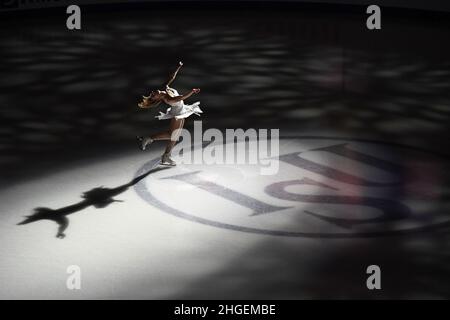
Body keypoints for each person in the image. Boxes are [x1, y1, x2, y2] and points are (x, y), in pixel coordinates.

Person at [137, 61, 202, 166]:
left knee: (175, 136)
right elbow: (181, 97)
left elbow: (171, 77)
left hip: (182, 110)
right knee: (172, 135)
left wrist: (178, 67)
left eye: (151, 94)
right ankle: (149, 138)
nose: (153, 93)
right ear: (158, 99)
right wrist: (192, 91)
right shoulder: (168, 99)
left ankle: (166, 156)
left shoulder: (164, 89)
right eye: (153, 96)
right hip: (178, 113)